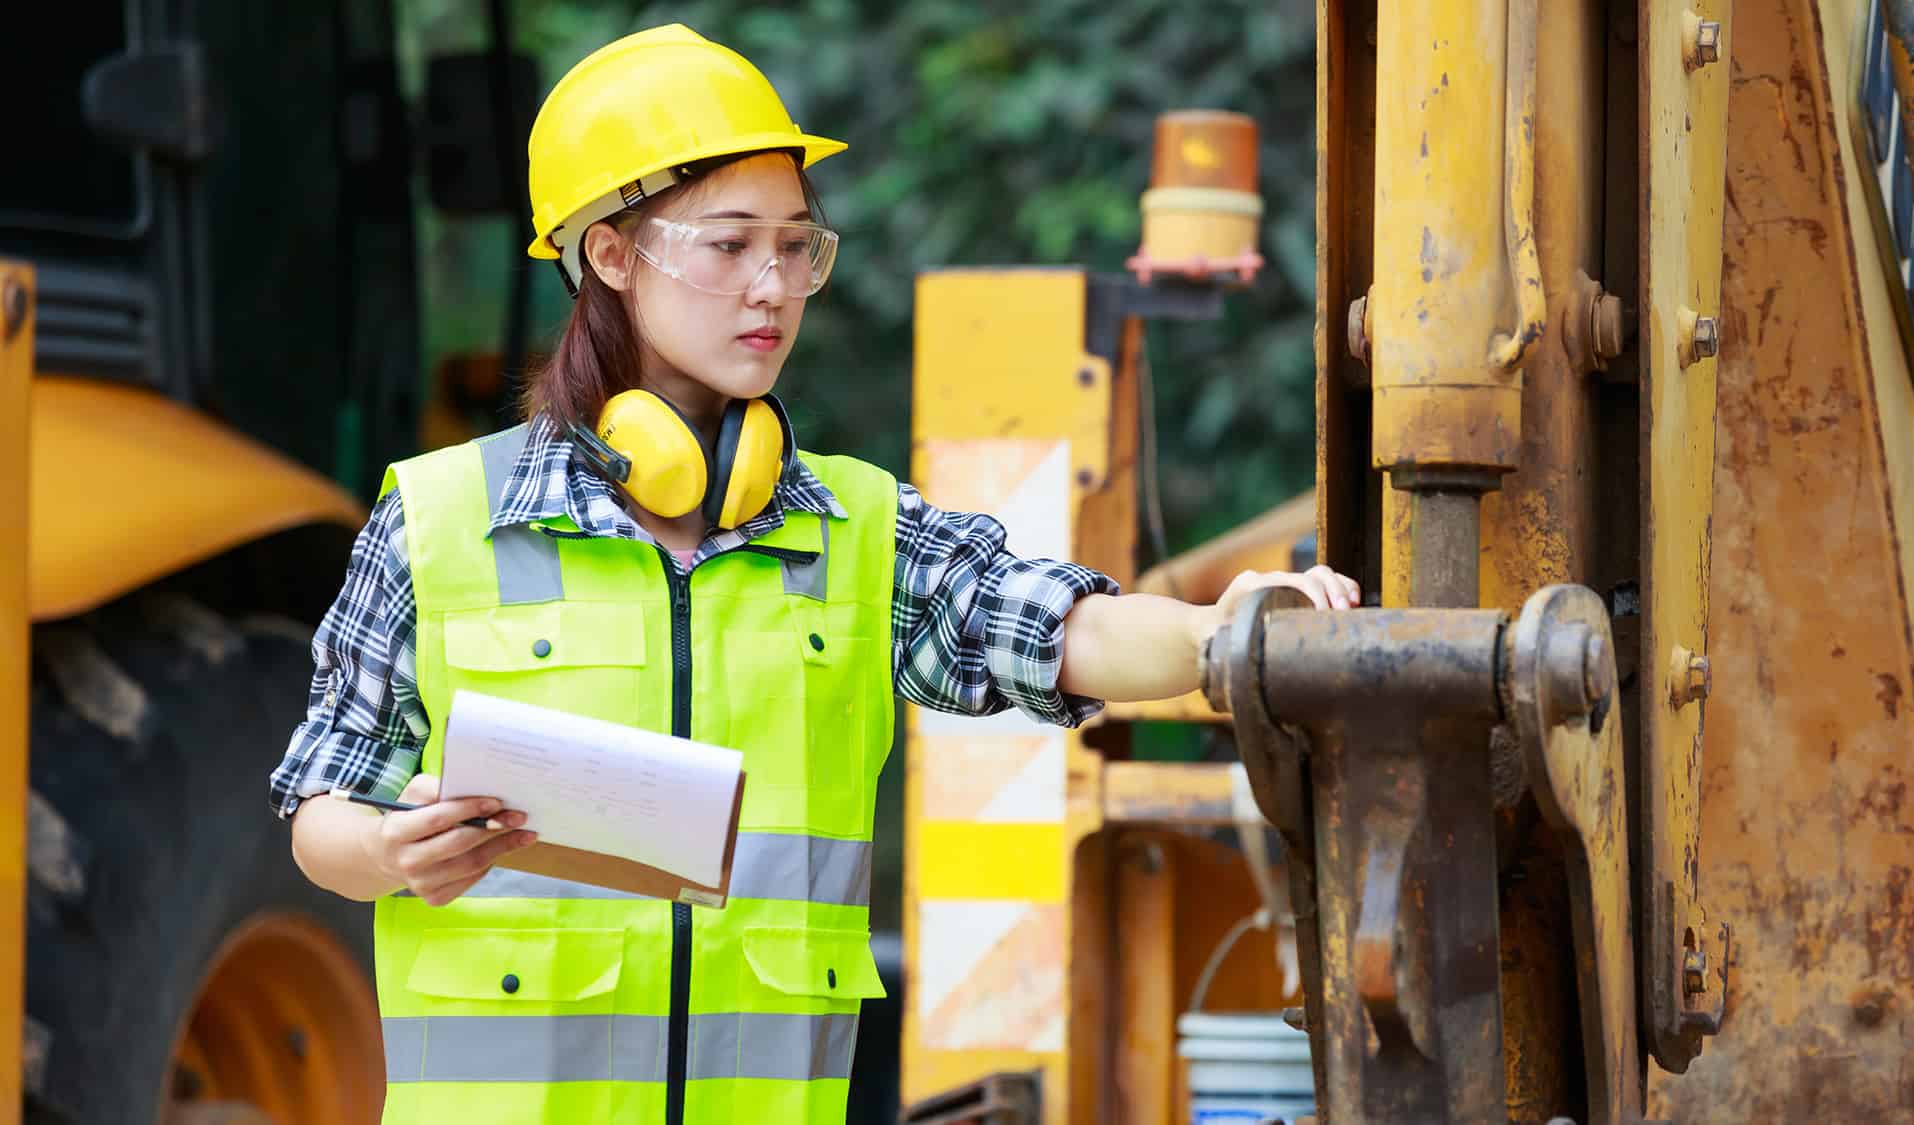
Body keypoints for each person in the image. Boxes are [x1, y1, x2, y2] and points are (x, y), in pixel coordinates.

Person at [269, 22, 1359, 1125]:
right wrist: (391, 849)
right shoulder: (442, 517)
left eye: (797, 246)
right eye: (729, 244)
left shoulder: (850, 526)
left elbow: (1052, 626)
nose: (774, 286)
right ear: (607, 253)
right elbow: (323, 808)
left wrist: (1217, 631)